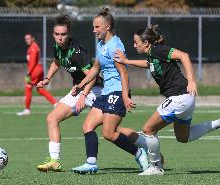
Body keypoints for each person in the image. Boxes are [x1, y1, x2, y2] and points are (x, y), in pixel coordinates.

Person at [114, 25, 220, 175]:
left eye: (136, 42)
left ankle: (155, 166)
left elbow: (184, 56)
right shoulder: (153, 55)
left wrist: (192, 81)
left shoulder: (158, 50)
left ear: (146, 43)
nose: (134, 45)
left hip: (179, 97)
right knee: (183, 137)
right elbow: (148, 64)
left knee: (148, 130)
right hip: (185, 99)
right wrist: (127, 61)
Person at [71, 7, 148, 174]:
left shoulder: (115, 45)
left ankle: (139, 153)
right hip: (106, 92)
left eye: (97, 27)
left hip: (117, 92)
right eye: (93, 27)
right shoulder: (101, 44)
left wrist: (126, 96)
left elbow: (123, 73)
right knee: (88, 125)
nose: (94, 30)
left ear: (108, 26)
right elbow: (95, 69)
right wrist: (81, 85)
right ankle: (91, 163)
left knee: (108, 133)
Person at [36, 15, 103, 172]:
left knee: (110, 132)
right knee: (52, 118)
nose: (60, 38)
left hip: (95, 90)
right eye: (57, 34)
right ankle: (54, 161)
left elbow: (91, 77)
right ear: (53, 34)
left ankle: (142, 148)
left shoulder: (77, 51)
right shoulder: (57, 47)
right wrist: (47, 78)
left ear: (69, 34)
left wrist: (83, 97)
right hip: (79, 89)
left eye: (63, 34)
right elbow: (56, 62)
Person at [17, 33, 57, 116]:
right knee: (40, 89)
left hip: (35, 71)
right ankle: (55, 103)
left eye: (28, 38)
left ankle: (27, 109)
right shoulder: (33, 47)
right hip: (39, 70)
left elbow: (33, 61)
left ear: (33, 38)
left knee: (28, 88)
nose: (27, 40)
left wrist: (29, 72)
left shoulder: (33, 48)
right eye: (26, 39)